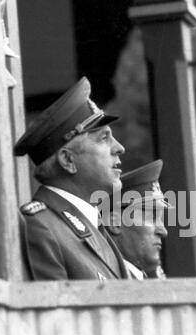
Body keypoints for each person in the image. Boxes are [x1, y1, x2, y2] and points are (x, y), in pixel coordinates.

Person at [14, 77, 129, 281]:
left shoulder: (94, 225)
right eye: (103, 138)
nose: (119, 148)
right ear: (68, 160)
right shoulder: (41, 227)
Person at [103, 160, 169, 280]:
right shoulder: (104, 279)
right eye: (151, 217)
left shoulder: (139, 278)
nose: (163, 231)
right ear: (114, 223)